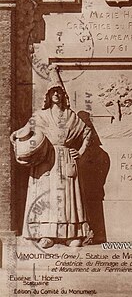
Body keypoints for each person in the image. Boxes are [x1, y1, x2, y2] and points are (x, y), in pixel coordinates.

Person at [11, 83, 93, 249]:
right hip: (46, 160)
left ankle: (72, 235)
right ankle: (47, 234)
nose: (56, 94)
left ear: (63, 95)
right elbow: (25, 130)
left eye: (59, 91)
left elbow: (87, 133)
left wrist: (81, 151)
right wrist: (15, 137)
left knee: (69, 197)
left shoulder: (71, 116)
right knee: (47, 196)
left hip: (67, 158)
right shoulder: (40, 115)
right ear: (47, 96)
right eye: (53, 91)